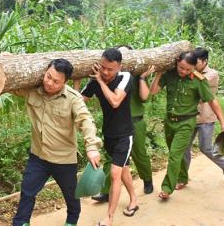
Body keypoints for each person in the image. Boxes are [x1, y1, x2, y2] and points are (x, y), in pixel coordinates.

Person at [11, 58, 103, 226]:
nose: (50, 83)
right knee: (27, 191)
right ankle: (21, 222)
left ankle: (71, 221)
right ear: (45, 71)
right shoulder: (32, 90)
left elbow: (86, 121)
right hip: (38, 156)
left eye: (56, 81)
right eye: (48, 77)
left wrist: (92, 147)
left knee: (71, 195)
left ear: (65, 82)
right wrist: (7, 60)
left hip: (63, 159)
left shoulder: (73, 99)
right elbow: (9, 84)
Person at [149, 51, 224, 200]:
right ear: (176, 62)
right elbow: (153, 91)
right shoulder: (170, 74)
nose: (183, 71)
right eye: (181, 68)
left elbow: (212, 101)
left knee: (174, 155)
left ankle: (167, 188)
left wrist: (223, 122)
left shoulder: (199, 81)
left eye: (188, 69)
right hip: (169, 122)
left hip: (186, 123)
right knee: (176, 154)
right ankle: (183, 177)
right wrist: (159, 74)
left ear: (194, 67)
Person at [81, 48, 138, 226]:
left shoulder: (126, 77)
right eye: (103, 67)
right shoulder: (95, 81)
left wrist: (99, 80)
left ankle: (109, 218)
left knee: (115, 174)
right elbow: (79, 100)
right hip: (109, 135)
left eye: (110, 69)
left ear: (119, 67)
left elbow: (115, 101)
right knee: (123, 170)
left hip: (124, 135)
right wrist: (77, 82)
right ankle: (134, 200)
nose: (105, 72)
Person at [91, 47, 155, 204]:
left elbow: (145, 97)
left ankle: (147, 180)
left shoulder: (135, 75)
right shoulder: (108, 76)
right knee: (113, 163)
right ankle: (106, 191)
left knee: (139, 155)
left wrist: (142, 78)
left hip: (135, 122)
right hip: (115, 128)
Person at [177, 47, 224, 188]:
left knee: (205, 148)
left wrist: (187, 67)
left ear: (205, 61)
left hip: (206, 118)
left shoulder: (212, 74)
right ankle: (183, 178)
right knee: (184, 148)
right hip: (190, 117)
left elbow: (196, 83)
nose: (194, 65)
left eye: (196, 62)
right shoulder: (191, 71)